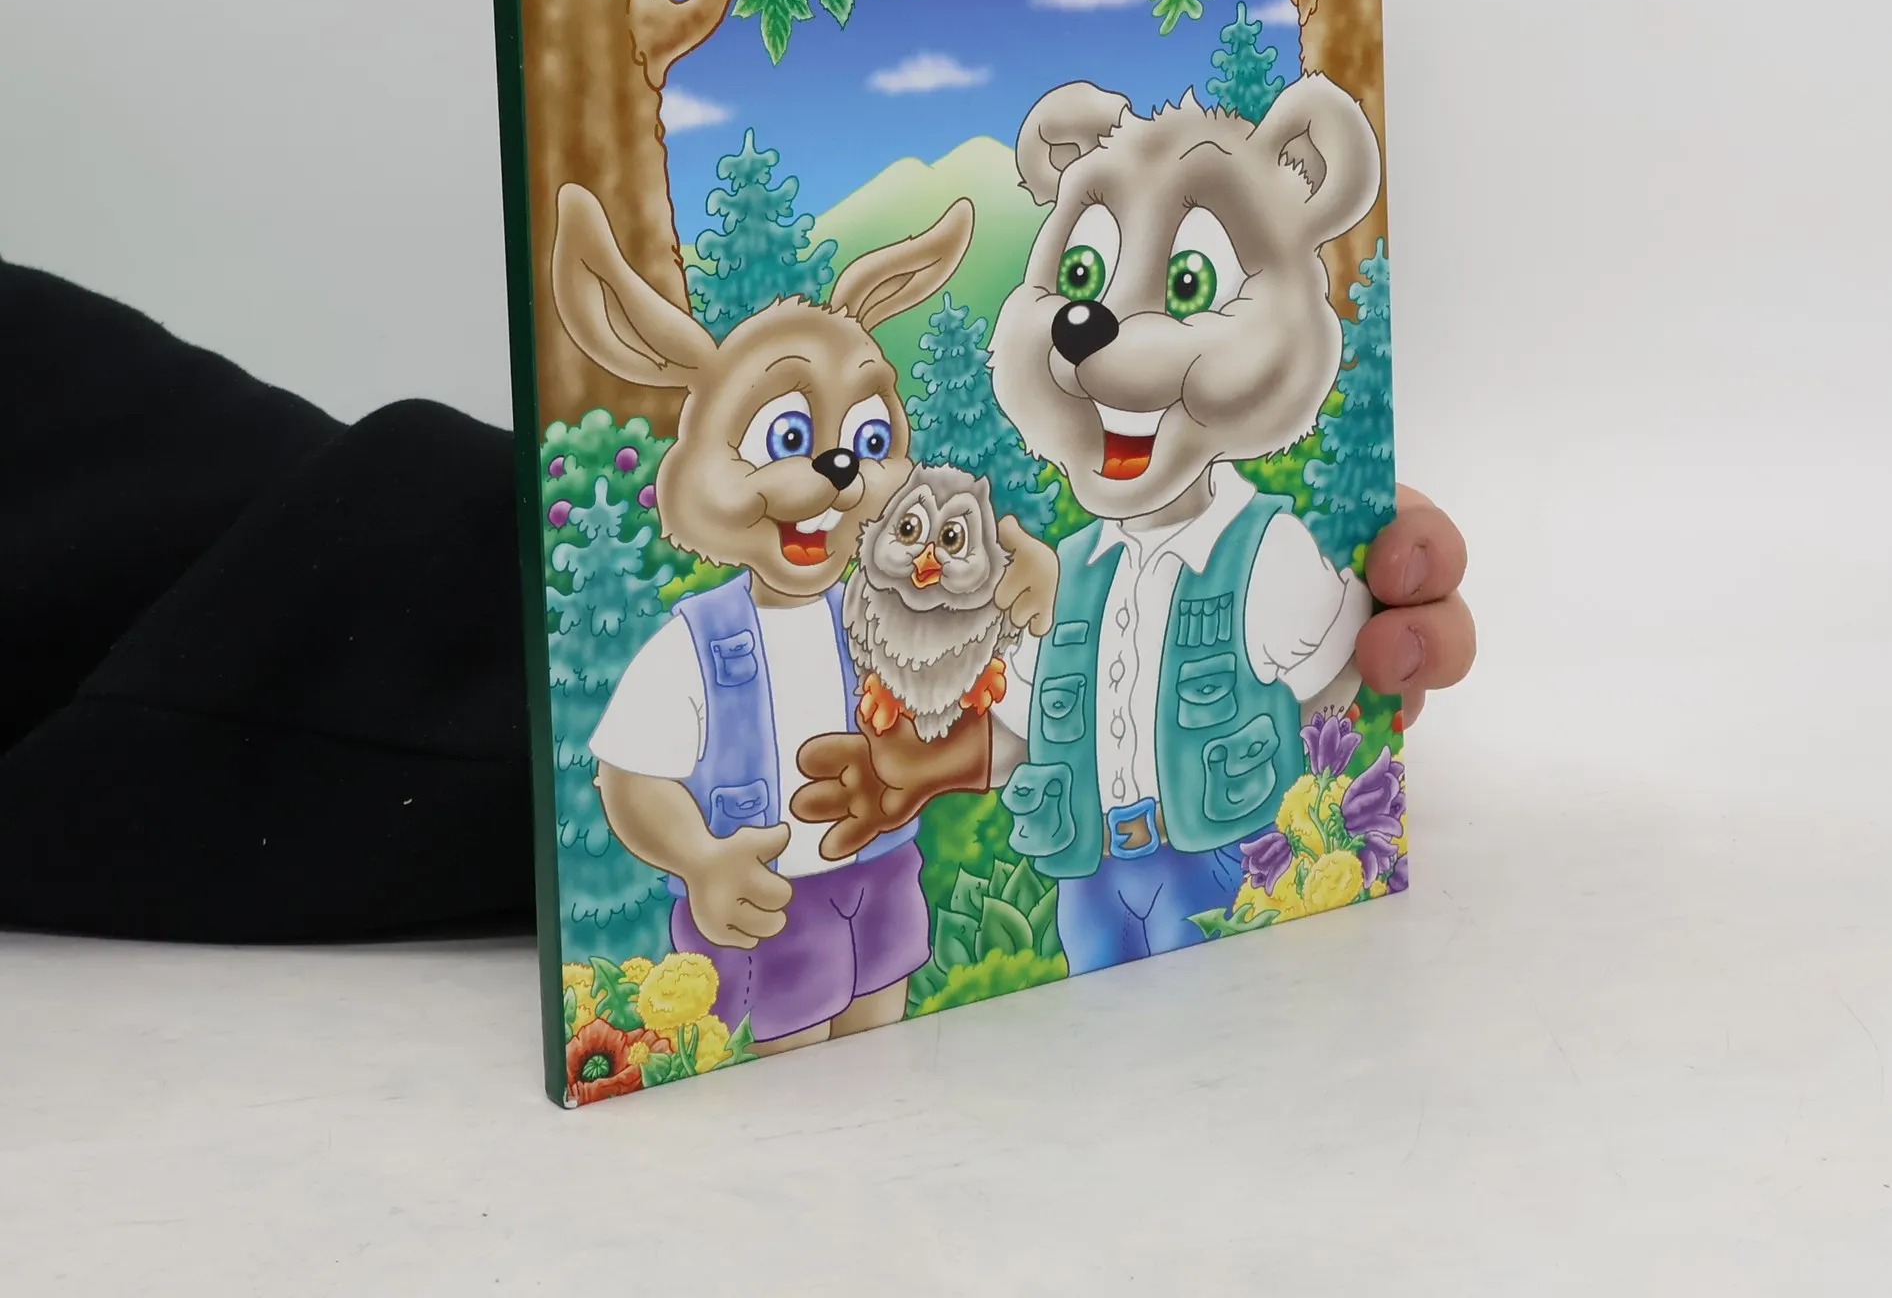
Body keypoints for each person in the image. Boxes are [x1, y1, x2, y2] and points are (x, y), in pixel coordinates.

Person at [0, 255, 1474, 943]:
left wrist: (1272, 619)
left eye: (864, 441)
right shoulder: (701, 643)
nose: (838, 475)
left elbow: (186, 515)